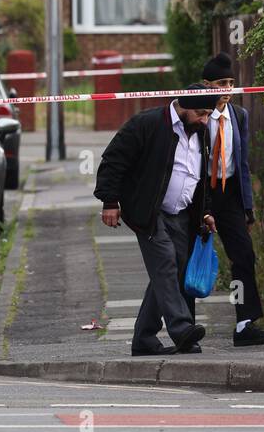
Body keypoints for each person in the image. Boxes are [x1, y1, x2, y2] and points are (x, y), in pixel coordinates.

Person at [94, 86, 219, 356]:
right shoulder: (147, 124)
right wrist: (110, 201)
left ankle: (144, 339)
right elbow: (113, 160)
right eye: (201, 113)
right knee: (164, 261)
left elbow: (199, 178)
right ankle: (182, 328)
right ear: (184, 106)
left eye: (209, 114)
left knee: (171, 270)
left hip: (182, 213)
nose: (205, 120)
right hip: (148, 211)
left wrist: (205, 211)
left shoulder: (202, 132)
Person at [200, 53, 264, 346]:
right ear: (207, 85)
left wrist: (247, 207)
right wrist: (202, 207)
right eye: (221, 83)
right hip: (200, 193)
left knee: (243, 256)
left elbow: (242, 163)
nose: (227, 89)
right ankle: (181, 326)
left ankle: (244, 323)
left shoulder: (239, 115)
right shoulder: (198, 115)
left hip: (230, 192)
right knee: (182, 259)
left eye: (231, 83)